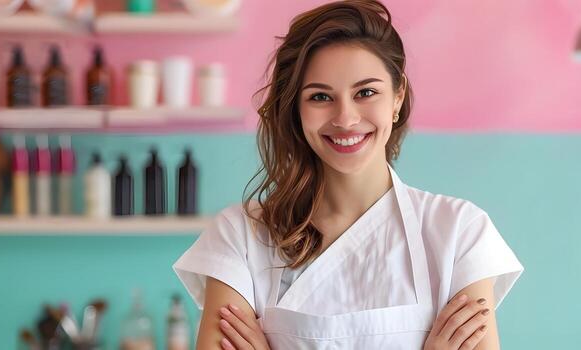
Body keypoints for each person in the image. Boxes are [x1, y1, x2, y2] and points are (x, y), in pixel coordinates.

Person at [173, 1, 523, 348]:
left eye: (366, 92)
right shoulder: (240, 237)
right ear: (295, 109)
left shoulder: (459, 233)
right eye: (320, 97)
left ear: (397, 97)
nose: (345, 118)